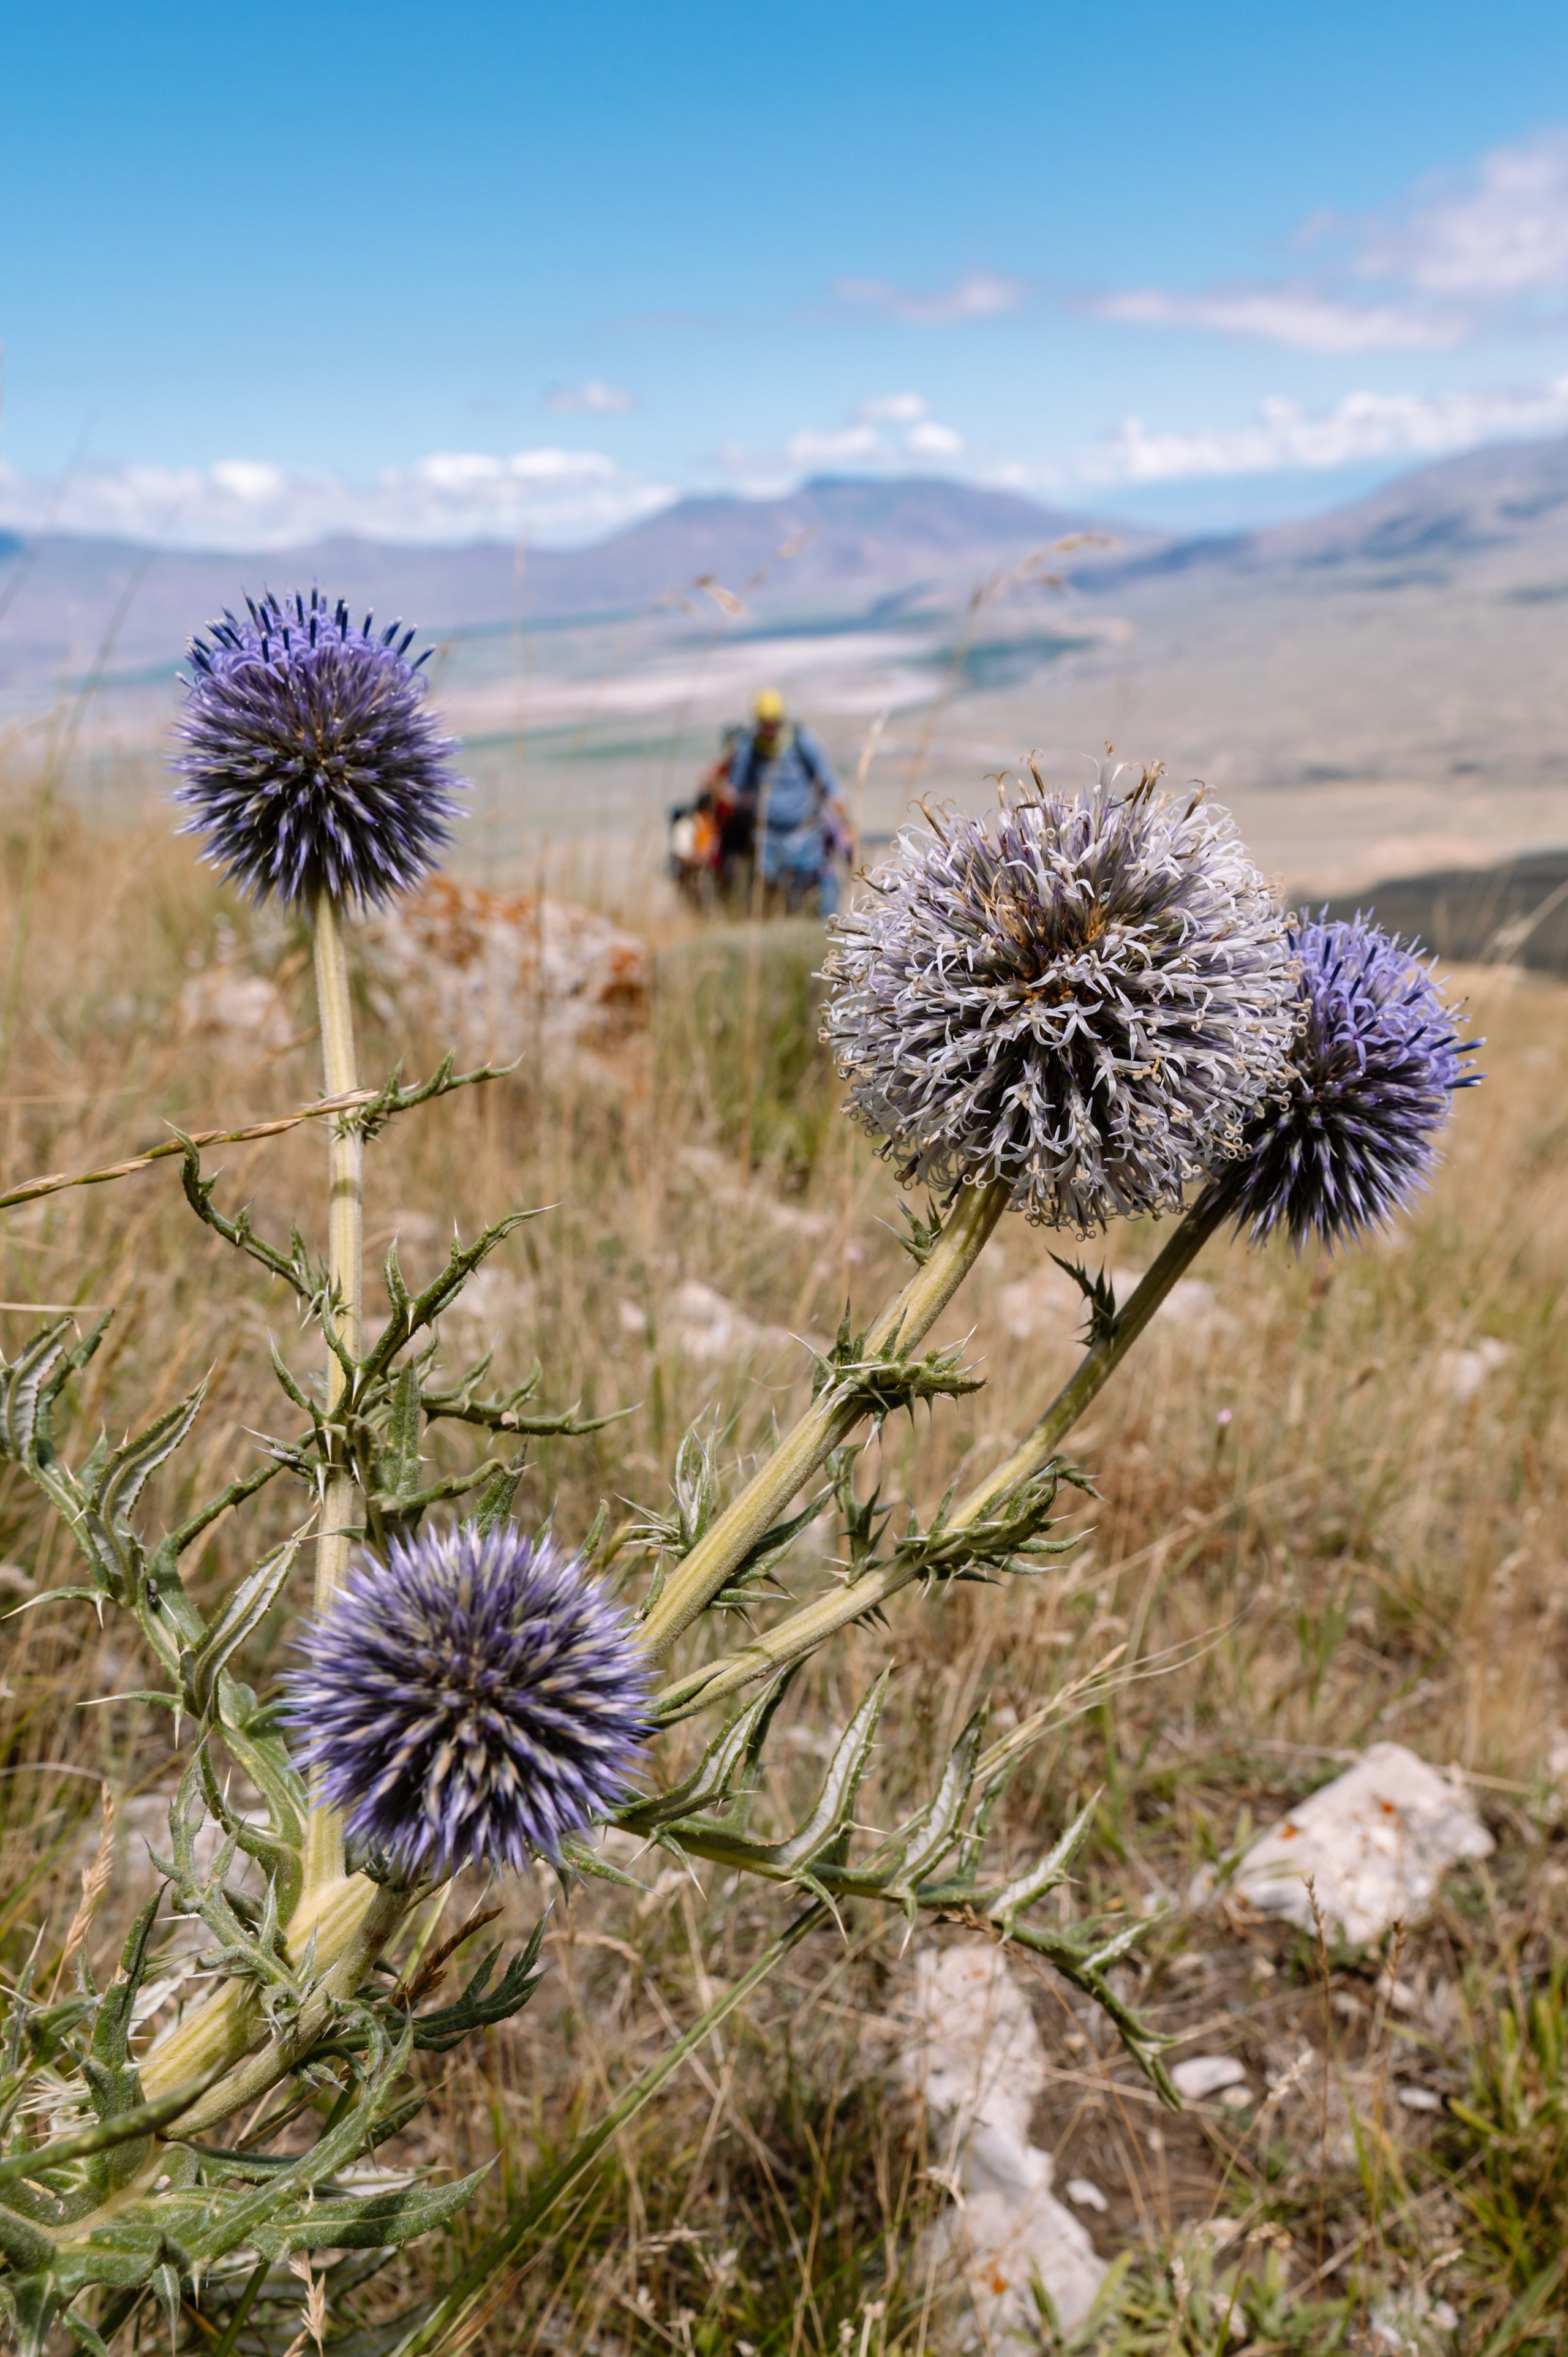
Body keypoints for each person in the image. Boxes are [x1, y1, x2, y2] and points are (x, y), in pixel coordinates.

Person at [724, 688, 852, 914]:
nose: (770, 729)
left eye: (774, 722)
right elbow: (734, 791)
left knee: (821, 885)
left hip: (806, 834)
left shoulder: (802, 741)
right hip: (768, 837)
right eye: (765, 723)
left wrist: (846, 826)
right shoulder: (748, 748)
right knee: (774, 895)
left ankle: (830, 924)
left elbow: (831, 786)